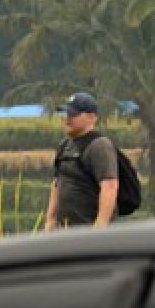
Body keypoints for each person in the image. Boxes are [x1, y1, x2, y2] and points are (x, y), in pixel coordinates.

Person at [45, 93, 120, 229]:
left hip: (89, 231)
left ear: (91, 117)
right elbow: (57, 184)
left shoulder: (99, 145)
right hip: (65, 230)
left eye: (73, 115)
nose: (67, 119)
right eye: (66, 114)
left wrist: (100, 226)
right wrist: (50, 220)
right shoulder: (64, 145)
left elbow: (109, 186)